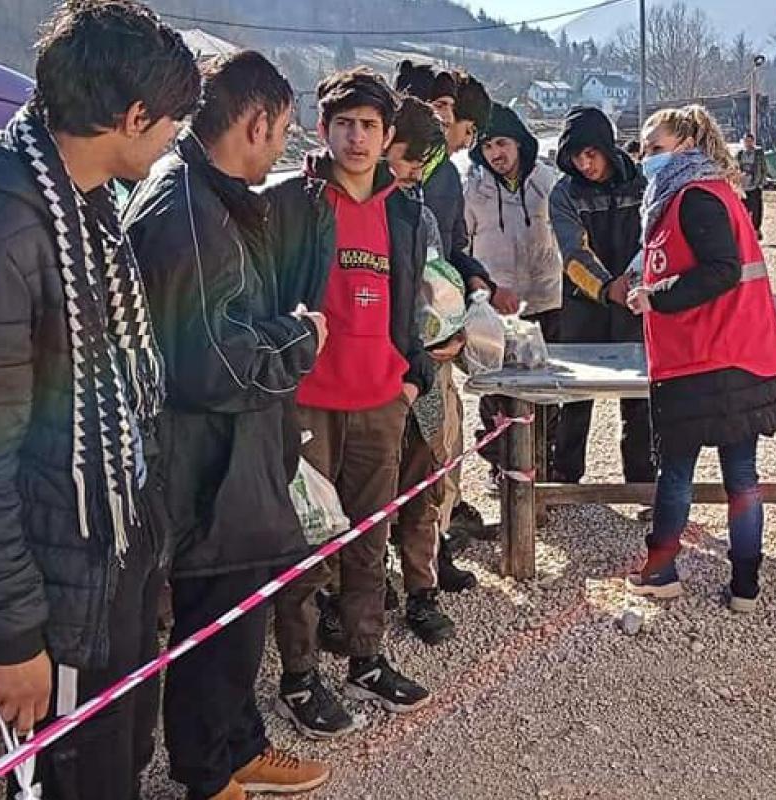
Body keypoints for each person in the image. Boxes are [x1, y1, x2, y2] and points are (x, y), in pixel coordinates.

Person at [0, 2, 198, 798]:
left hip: (103, 549)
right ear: (134, 116)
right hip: (53, 576)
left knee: (119, 753)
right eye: (173, 125)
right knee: (83, 773)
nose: (172, 144)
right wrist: (15, 635)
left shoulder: (82, 205)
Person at [123, 52, 331, 798]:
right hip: (205, 466)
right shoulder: (185, 209)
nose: (283, 149)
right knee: (213, 624)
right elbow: (213, 363)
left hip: (236, 458)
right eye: (283, 130)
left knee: (239, 622)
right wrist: (302, 337)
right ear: (257, 122)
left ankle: (241, 746)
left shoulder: (212, 196)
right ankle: (210, 774)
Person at [268, 67, 434, 726]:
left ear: (388, 134)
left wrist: (413, 374)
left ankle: (366, 659)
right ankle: (299, 676)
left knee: (369, 539)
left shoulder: (405, 210)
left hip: (379, 401)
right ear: (323, 129)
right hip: (309, 399)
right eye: (344, 124)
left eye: (369, 125)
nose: (357, 138)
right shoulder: (291, 203)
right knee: (308, 544)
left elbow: (412, 298)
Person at [625, 105, 776, 608]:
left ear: (686, 144)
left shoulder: (693, 197)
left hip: (704, 357)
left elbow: (722, 270)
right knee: (741, 476)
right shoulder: (705, 193)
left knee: (678, 473)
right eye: (645, 148)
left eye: (656, 147)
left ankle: (662, 570)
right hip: (739, 353)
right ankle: (745, 584)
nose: (647, 157)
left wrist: (656, 297)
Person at [393, 61, 507, 553]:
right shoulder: (388, 177)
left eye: (446, 108)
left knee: (441, 436)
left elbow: (450, 247)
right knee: (406, 448)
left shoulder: (442, 176)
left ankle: (434, 540)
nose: (441, 117)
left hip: (438, 331)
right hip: (400, 336)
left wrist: (475, 279)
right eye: (434, 106)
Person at [384, 96, 474, 643]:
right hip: (377, 376)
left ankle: (423, 586)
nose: (412, 174)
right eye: (406, 161)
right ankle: (367, 587)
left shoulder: (420, 211)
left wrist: (453, 331)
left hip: (427, 370)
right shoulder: (344, 212)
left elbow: (439, 281)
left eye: (419, 166)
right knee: (368, 492)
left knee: (424, 483)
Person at [550, 106, 657, 487]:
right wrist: (607, 288)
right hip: (585, 302)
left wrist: (639, 283)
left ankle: (642, 480)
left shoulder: (643, 184)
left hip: (636, 301)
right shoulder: (564, 193)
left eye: (590, 153)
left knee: (641, 396)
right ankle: (564, 479)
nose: (584, 164)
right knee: (575, 396)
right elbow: (573, 254)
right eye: (576, 157)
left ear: (607, 148)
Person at [464, 102, 565, 473]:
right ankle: (501, 465)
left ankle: (543, 461)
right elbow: (461, 248)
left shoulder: (548, 183)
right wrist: (485, 291)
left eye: (502, 143)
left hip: (546, 299)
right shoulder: (472, 190)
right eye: (488, 146)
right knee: (497, 390)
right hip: (496, 310)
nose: (496, 154)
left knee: (547, 389)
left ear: (519, 142)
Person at [737, 132, 768, 238]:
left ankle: (756, 229)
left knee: (756, 209)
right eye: (746, 141)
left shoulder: (758, 154)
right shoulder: (740, 154)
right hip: (743, 186)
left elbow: (764, 168)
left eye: (750, 141)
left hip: (755, 185)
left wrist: (761, 183)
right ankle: (744, 231)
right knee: (743, 209)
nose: (748, 143)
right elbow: (735, 167)